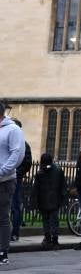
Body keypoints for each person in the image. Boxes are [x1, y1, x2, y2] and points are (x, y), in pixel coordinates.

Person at [0, 100, 26, 265]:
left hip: (4, 181)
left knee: (2, 216)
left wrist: (2, 171)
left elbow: (17, 154)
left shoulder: (13, 129)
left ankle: (3, 251)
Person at [31, 152, 67, 249]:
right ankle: (53, 240)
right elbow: (63, 186)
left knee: (47, 221)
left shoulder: (41, 172)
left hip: (46, 200)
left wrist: (34, 201)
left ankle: (49, 239)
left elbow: (35, 189)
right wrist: (63, 198)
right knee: (52, 221)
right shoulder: (58, 170)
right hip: (53, 200)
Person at [9, 119, 31, 243]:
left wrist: (16, 173)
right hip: (3, 178)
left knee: (15, 206)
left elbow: (27, 163)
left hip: (15, 180)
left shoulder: (24, 144)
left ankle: (15, 233)